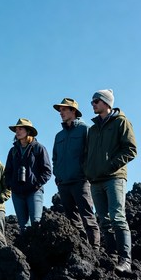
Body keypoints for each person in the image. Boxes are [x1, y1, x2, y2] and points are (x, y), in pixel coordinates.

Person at [84, 89, 137, 273]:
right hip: (96, 180)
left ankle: (126, 261)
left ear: (107, 103)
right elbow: (88, 154)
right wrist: (89, 171)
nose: (93, 104)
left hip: (114, 178)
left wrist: (110, 166)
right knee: (104, 220)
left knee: (117, 217)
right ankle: (113, 257)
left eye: (96, 101)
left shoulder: (121, 122)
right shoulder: (92, 129)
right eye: (92, 101)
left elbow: (130, 149)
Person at [52, 98, 100, 250]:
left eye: (64, 110)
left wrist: (85, 173)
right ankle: (82, 250)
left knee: (88, 217)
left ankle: (95, 250)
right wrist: (58, 175)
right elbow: (55, 158)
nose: (61, 113)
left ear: (73, 111)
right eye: (60, 110)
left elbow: (91, 154)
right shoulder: (59, 136)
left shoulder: (85, 129)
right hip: (63, 183)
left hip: (81, 181)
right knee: (72, 220)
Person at [4, 118, 52, 234]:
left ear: (28, 131)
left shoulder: (38, 148)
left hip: (34, 192)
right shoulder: (13, 151)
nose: (17, 132)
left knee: (36, 222)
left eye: (20, 129)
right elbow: (8, 171)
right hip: (17, 193)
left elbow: (47, 171)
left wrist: (36, 184)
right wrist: (11, 185)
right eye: (16, 129)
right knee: (23, 226)